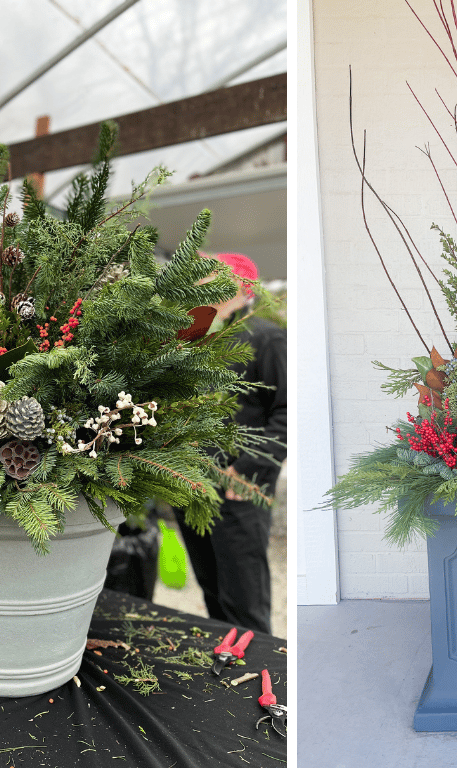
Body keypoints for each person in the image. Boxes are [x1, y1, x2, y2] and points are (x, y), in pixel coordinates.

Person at [176, 252, 286, 635]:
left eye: (206, 280)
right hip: (192, 486)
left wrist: (246, 471)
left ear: (238, 286)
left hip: (238, 490)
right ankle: (225, 676)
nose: (197, 288)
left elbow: (286, 413)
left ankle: (261, 679)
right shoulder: (199, 338)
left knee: (244, 602)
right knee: (213, 592)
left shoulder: (267, 337)